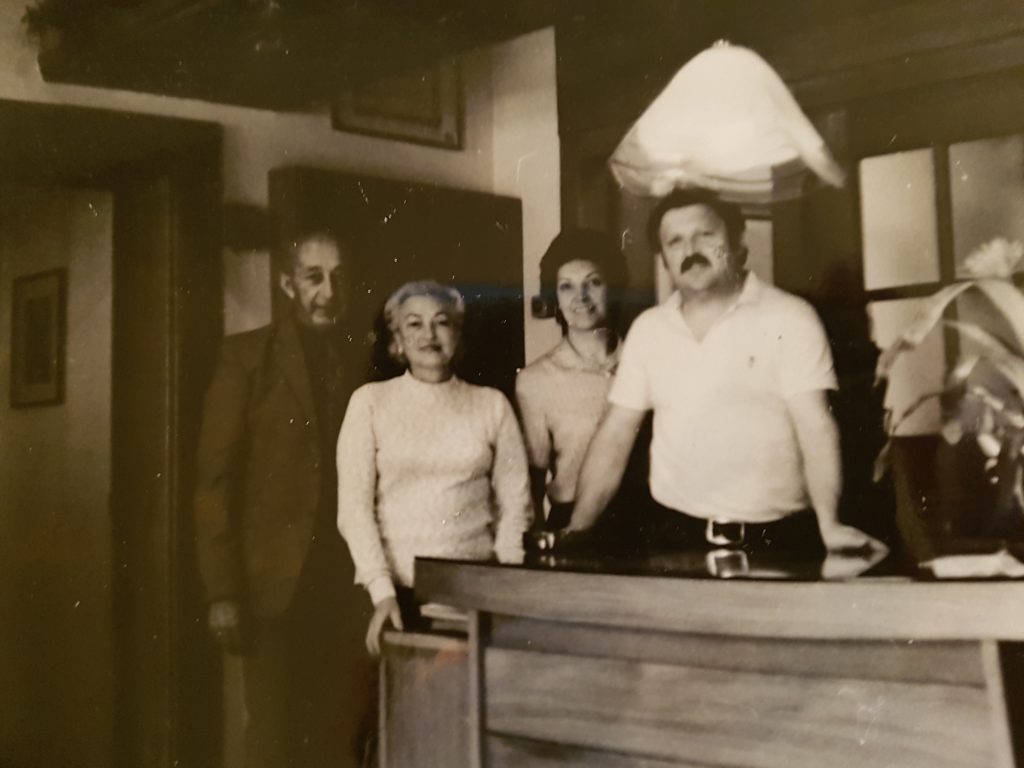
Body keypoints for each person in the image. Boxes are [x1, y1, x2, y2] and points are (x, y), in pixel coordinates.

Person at [567, 188, 885, 555]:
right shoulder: (648, 329)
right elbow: (615, 434)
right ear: (664, 260)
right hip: (676, 538)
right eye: (675, 242)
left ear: (737, 243)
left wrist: (829, 524)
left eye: (705, 235)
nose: (691, 250)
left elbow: (815, 427)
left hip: (777, 539)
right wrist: (577, 529)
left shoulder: (790, 317)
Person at [194, 230, 373, 768]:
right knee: (274, 736)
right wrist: (222, 591)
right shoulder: (246, 356)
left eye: (338, 277)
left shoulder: (364, 358)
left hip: (345, 584)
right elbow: (214, 481)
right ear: (288, 284)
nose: (328, 292)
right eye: (314, 277)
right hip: (272, 588)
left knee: (342, 736)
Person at [336, 280, 532, 656]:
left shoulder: (492, 404)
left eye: (441, 322)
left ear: (457, 333)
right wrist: (382, 592)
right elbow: (354, 511)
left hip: (474, 595)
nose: (429, 334)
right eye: (414, 324)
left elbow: (515, 505)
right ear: (397, 339)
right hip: (394, 598)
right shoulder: (370, 402)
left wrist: (505, 585)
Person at [515, 229, 629, 531]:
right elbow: (533, 483)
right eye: (566, 286)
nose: (581, 297)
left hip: (650, 526)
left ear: (613, 287)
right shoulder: (536, 381)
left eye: (594, 282)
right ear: (555, 297)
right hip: (574, 528)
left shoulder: (646, 362)